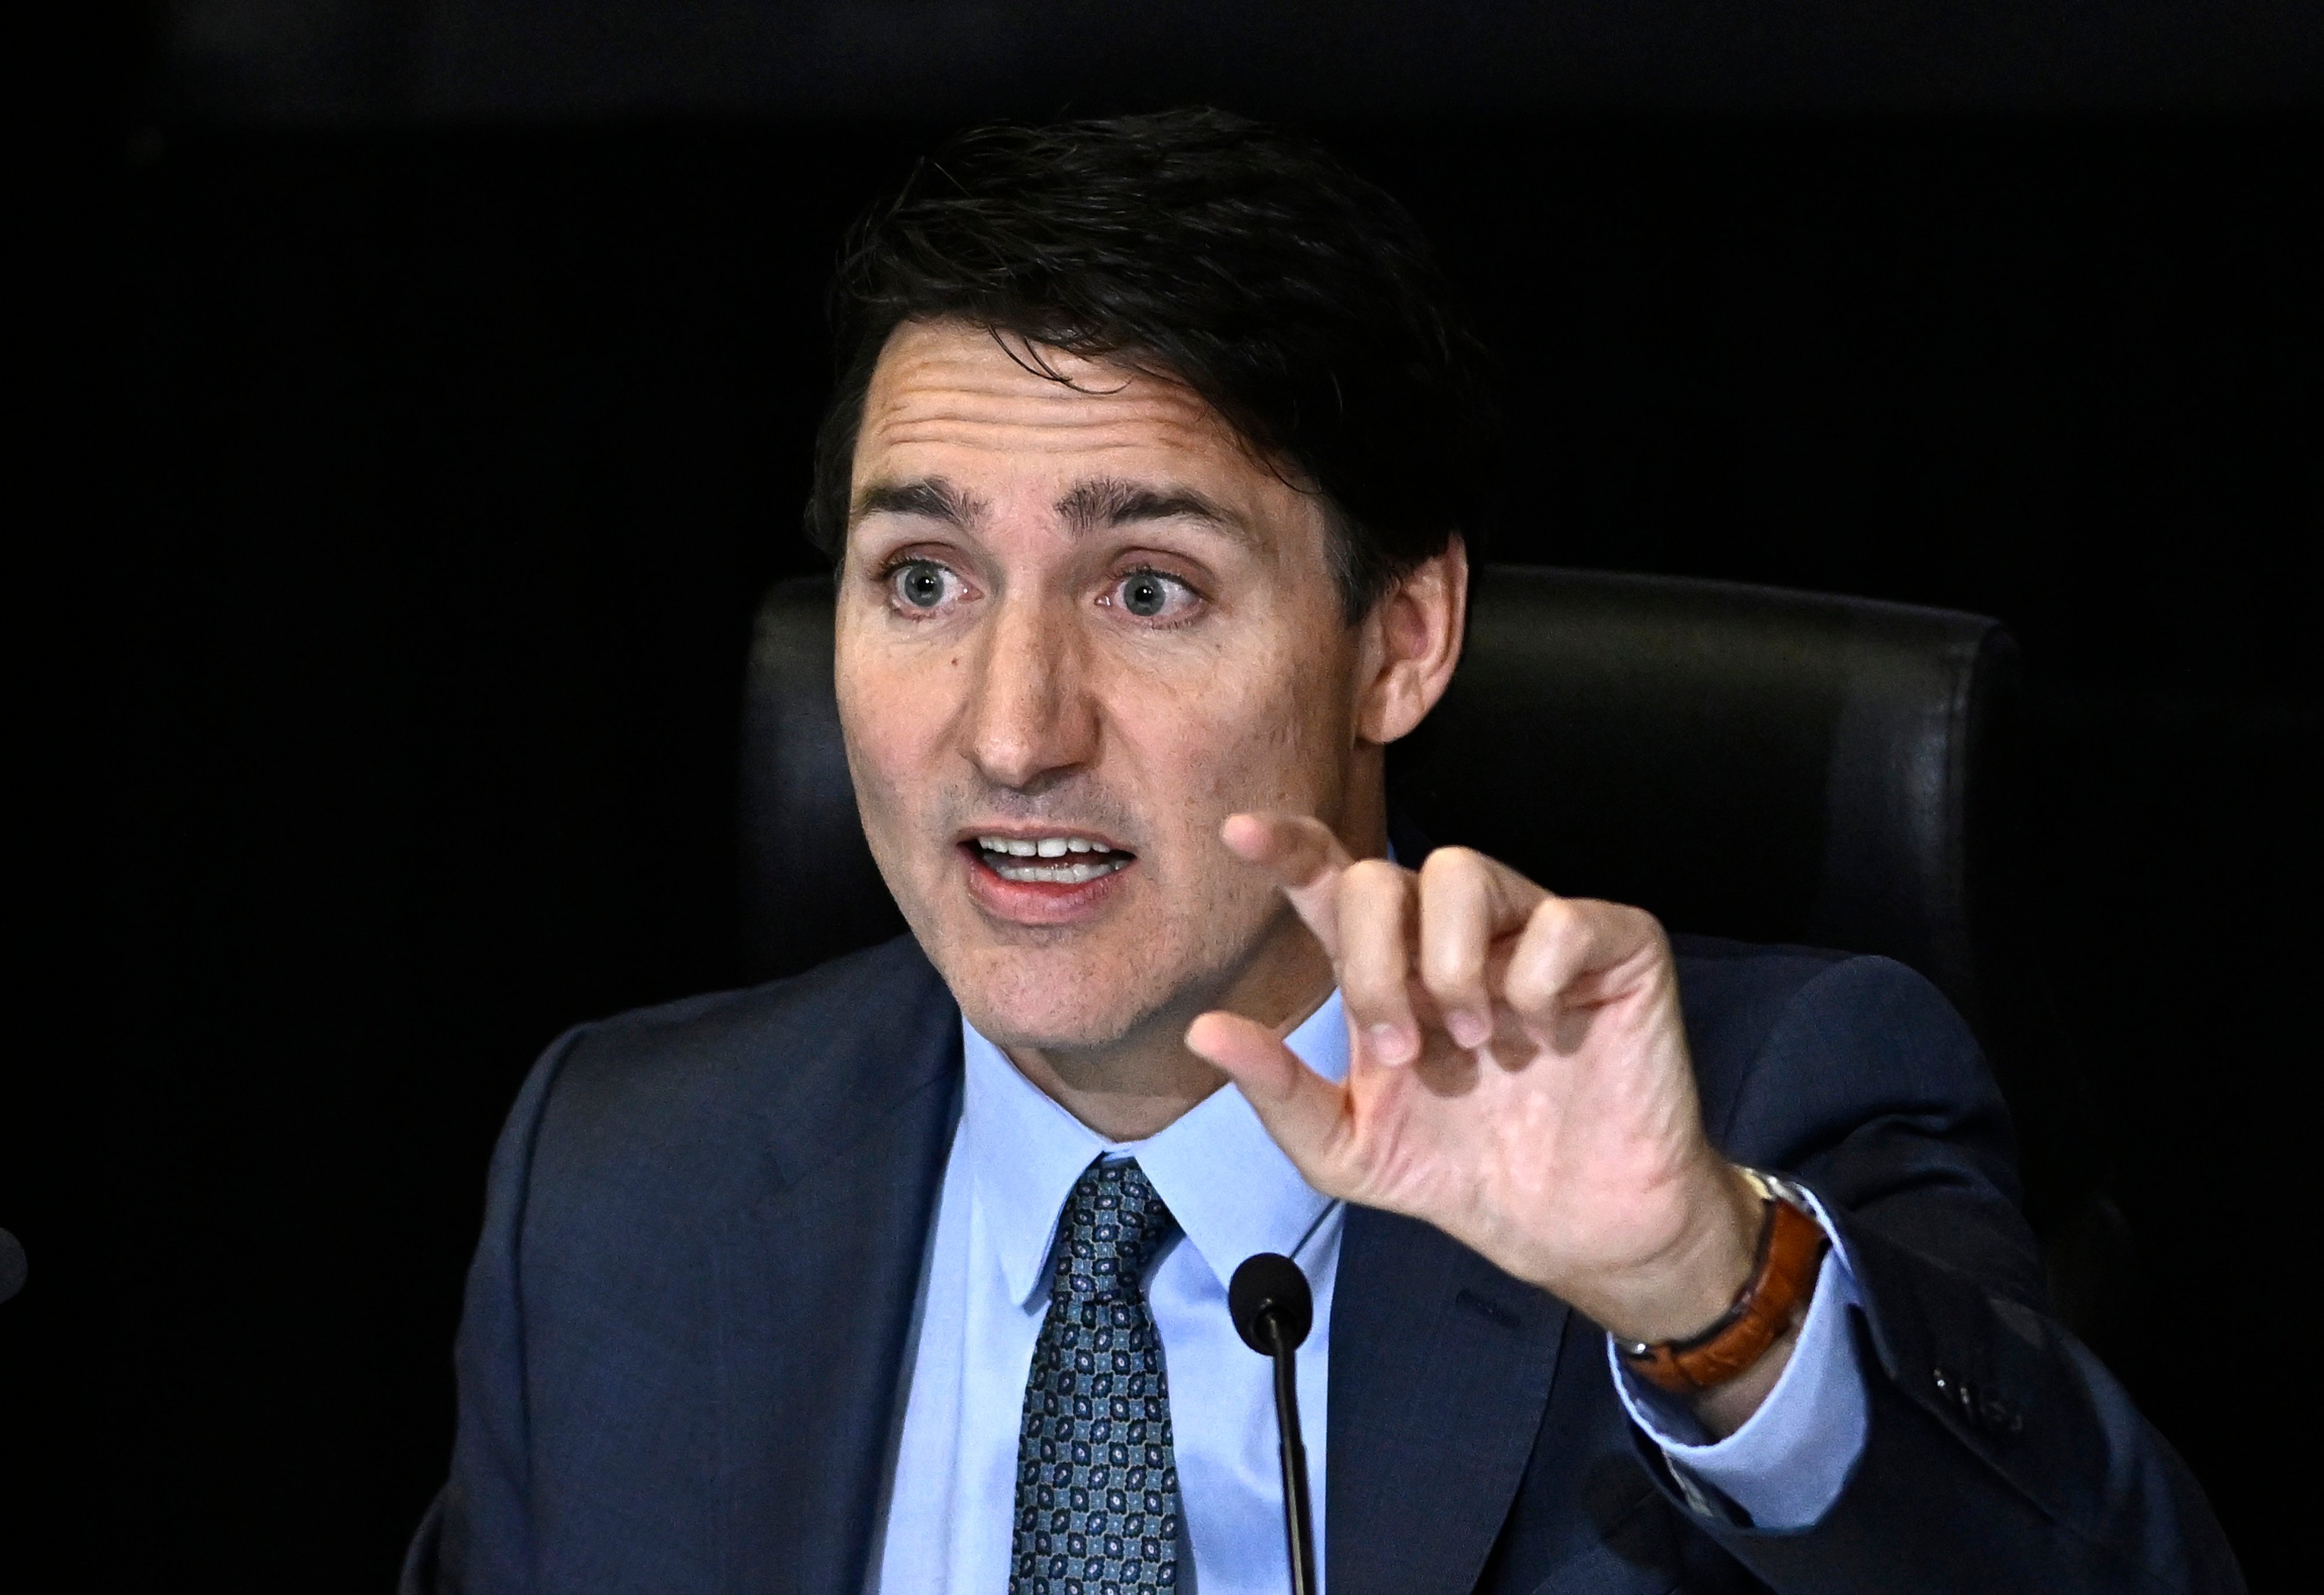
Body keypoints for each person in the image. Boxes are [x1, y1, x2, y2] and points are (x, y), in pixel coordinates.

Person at [403, 109, 2240, 1594]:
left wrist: (1701, 1288)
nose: (1013, 724)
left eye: (1148, 587)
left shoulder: (1766, 1112)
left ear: (1400, 638)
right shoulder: (623, 1183)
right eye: (925, 580)